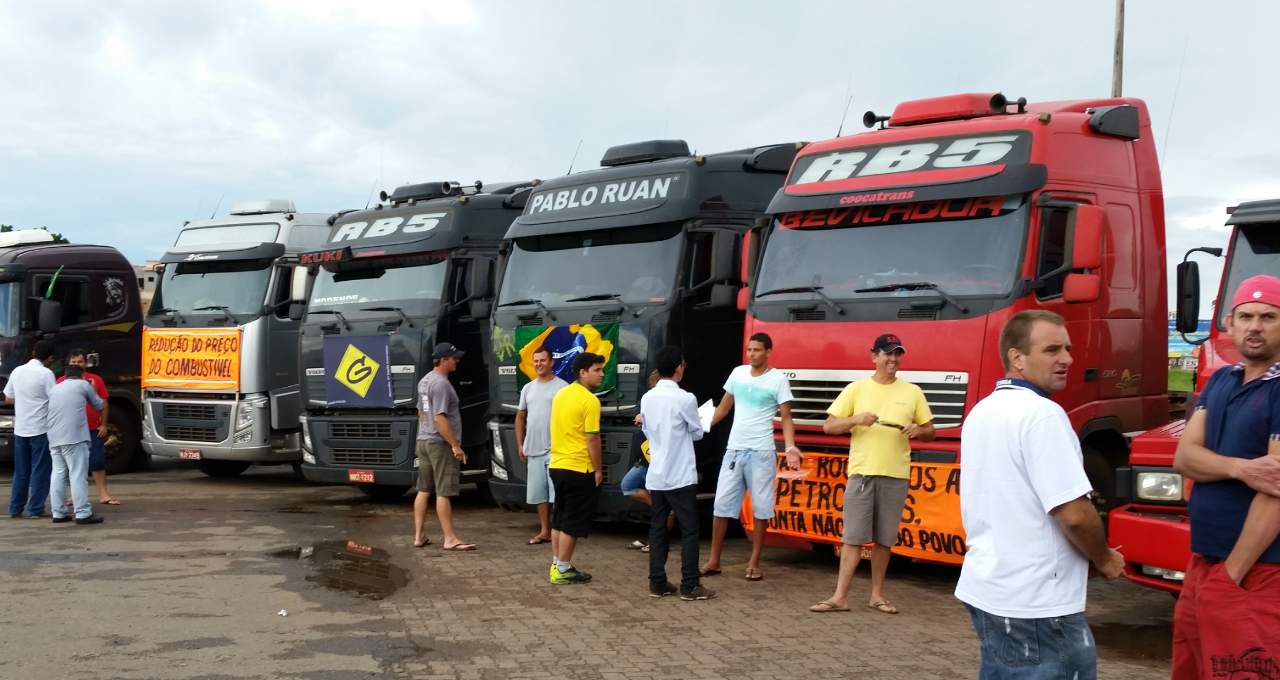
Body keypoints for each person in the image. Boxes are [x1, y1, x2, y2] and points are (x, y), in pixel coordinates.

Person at [955, 310, 1123, 679]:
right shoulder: (1043, 415)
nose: (1067, 359)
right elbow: (1074, 514)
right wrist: (1105, 558)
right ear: (1017, 357)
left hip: (991, 588)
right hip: (1039, 604)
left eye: (1067, 348)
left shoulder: (981, 412)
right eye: (1051, 350)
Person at [1172, 275, 1280, 679]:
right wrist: (1242, 468)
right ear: (1230, 324)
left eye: (1268, 316)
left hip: (1258, 572)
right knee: (1191, 668)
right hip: (1204, 564)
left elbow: (1275, 492)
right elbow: (1185, 457)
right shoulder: (1222, 380)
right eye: (1246, 316)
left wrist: (1232, 574)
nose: (1255, 326)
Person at [810, 333, 934, 615]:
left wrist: (919, 430)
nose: (893, 359)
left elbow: (930, 430)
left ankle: (877, 596)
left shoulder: (912, 392)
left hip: (896, 475)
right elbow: (828, 427)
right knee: (853, 537)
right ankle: (839, 597)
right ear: (874, 357)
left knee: (884, 540)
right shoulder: (857, 389)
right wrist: (856, 419)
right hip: (862, 474)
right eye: (887, 353)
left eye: (897, 354)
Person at [702, 332, 801, 581]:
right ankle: (714, 560)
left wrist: (790, 447)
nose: (751, 354)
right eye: (749, 350)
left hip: (762, 452)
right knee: (721, 505)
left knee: (761, 508)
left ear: (768, 351)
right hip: (735, 450)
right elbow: (723, 408)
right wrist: (698, 427)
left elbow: (786, 416)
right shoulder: (737, 373)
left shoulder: (778, 380)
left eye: (757, 350)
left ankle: (754, 561)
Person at [640, 346, 715, 600]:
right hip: (680, 473)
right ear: (678, 367)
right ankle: (690, 584)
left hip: (657, 473)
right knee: (689, 529)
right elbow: (696, 431)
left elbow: (648, 431)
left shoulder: (648, 398)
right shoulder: (686, 398)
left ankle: (657, 582)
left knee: (658, 528)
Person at [547, 352, 605, 585]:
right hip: (579, 467)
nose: (602, 374)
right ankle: (562, 568)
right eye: (597, 370)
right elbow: (592, 438)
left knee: (559, 517)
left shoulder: (561, 394)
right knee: (572, 520)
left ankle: (558, 563)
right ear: (582, 372)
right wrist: (598, 469)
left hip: (557, 464)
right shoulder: (590, 400)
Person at [412, 342, 476, 551]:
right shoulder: (441, 384)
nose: (456, 360)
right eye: (453, 357)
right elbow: (440, 418)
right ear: (443, 360)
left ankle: (419, 536)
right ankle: (450, 539)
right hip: (439, 443)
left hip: (423, 440)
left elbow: (421, 412)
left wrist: (426, 429)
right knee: (443, 491)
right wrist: (455, 446)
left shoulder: (424, 381)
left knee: (423, 489)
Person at [515, 345, 567, 546]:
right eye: (536, 361)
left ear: (551, 362)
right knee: (539, 494)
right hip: (533, 449)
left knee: (557, 494)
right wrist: (520, 444)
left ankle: (559, 531)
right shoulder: (528, 388)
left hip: (556, 449)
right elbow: (520, 417)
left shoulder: (563, 387)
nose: (539, 364)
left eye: (542, 360)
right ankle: (545, 531)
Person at [47, 364, 105, 525]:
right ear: (81, 375)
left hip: (54, 438)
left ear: (65, 376)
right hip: (74, 438)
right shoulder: (84, 384)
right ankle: (83, 513)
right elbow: (99, 405)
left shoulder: (55, 388)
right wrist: (92, 387)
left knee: (58, 475)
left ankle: (58, 512)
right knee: (77, 475)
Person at [59, 349, 118, 505]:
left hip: (93, 428)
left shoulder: (95, 380)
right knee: (73, 464)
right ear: (68, 364)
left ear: (85, 363)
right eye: (74, 362)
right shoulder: (60, 381)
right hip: (72, 431)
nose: (77, 365)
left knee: (97, 462)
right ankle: (74, 496)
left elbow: (104, 403)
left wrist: (104, 425)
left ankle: (104, 495)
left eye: (80, 361)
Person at [5, 339, 56, 519]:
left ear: (33, 353)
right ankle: (35, 508)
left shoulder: (17, 371)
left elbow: (8, 398)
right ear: (49, 358)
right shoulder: (46, 374)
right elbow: (55, 399)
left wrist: (24, 399)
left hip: (21, 429)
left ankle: (15, 508)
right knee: (40, 469)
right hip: (40, 429)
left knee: (21, 470)